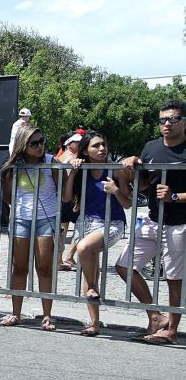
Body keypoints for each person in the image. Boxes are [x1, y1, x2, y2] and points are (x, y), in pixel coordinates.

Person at [115, 99, 186, 345]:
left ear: (183, 122)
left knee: (174, 277)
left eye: (173, 119)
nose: (167, 124)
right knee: (124, 265)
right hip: (153, 219)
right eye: (162, 120)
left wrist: (175, 197)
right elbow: (145, 183)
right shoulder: (151, 147)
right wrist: (132, 166)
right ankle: (155, 317)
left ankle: (172, 330)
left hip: (179, 223)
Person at [63, 131, 130, 337]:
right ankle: (94, 323)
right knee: (89, 269)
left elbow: (128, 203)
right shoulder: (82, 169)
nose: (102, 149)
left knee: (83, 248)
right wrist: (72, 172)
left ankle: (92, 287)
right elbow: (66, 198)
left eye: (103, 144)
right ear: (85, 151)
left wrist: (115, 190)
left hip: (112, 222)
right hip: (86, 222)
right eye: (96, 146)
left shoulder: (115, 170)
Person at [0, 124, 58, 330]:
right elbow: (7, 196)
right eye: (34, 143)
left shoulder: (52, 162)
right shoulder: (12, 166)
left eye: (42, 141)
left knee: (44, 268)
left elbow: (63, 189)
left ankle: (47, 315)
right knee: (19, 267)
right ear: (23, 145)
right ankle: (16, 313)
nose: (40, 146)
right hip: (21, 219)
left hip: (46, 219)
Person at [57, 132, 83, 271]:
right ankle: (69, 256)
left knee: (62, 231)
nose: (80, 144)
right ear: (69, 144)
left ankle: (58, 260)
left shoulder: (60, 157)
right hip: (70, 198)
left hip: (60, 198)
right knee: (81, 226)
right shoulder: (72, 157)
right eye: (77, 142)